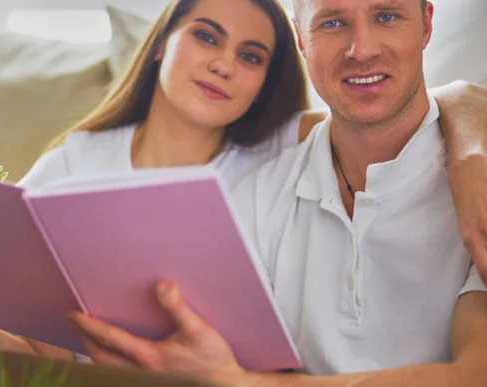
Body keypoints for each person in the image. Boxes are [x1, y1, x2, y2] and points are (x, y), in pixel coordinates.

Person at [0, 0, 487, 364]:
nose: (226, 63)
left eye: (252, 56)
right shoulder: (76, 160)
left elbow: (410, 101)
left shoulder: (279, 149)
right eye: (206, 36)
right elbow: (31, 347)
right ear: (159, 46)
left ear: (269, 79)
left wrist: (471, 148)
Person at [55, 0, 487, 386]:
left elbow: (476, 376)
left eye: (387, 16)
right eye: (332, 23)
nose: (362, 49)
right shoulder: (254, 195)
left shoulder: (477, 185)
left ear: (426, 24)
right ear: (301, 39)